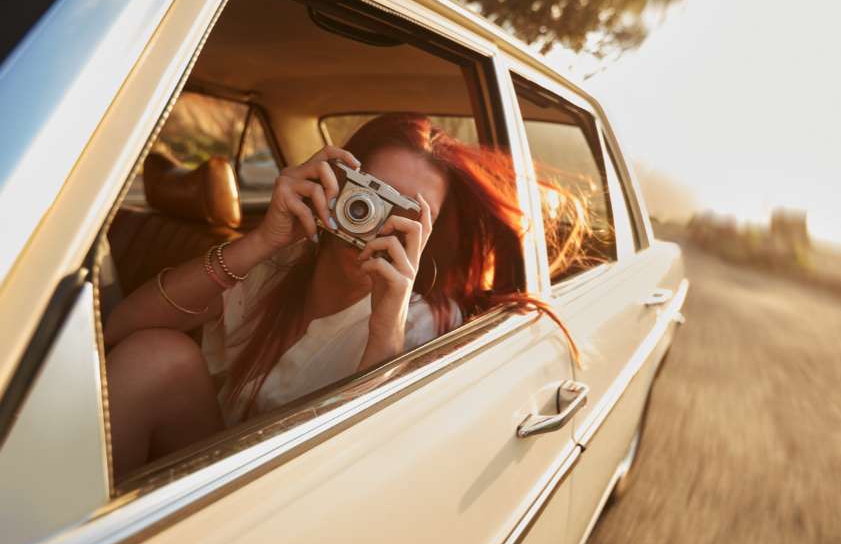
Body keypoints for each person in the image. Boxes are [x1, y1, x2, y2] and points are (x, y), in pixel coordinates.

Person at [103, 113, 582, 481]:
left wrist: (386, 316)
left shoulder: (427, 323)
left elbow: (366, 472)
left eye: (407, 214)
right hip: (203, 465)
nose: (377, 222)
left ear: (430, 236)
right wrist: (261, 241)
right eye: (370, 195)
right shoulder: (281, 261)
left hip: (292, 502)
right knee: (154, 356)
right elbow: (121, 329)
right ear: (335, 185)